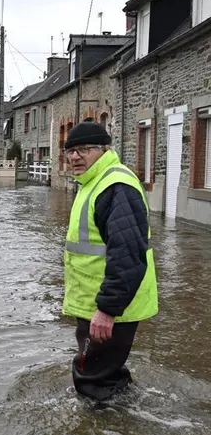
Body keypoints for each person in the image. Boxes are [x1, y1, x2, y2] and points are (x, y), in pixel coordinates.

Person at [62, 121, 158, 401]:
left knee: (92, 380)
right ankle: (125, 418)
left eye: (84, 150)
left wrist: (107, 310)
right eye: (71, 151)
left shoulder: (115, 186)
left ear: (104, 150)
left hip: (109, 308)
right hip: (99, 304)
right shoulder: (93, 183)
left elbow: (128, 255)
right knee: (105, 373)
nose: (75, 157)